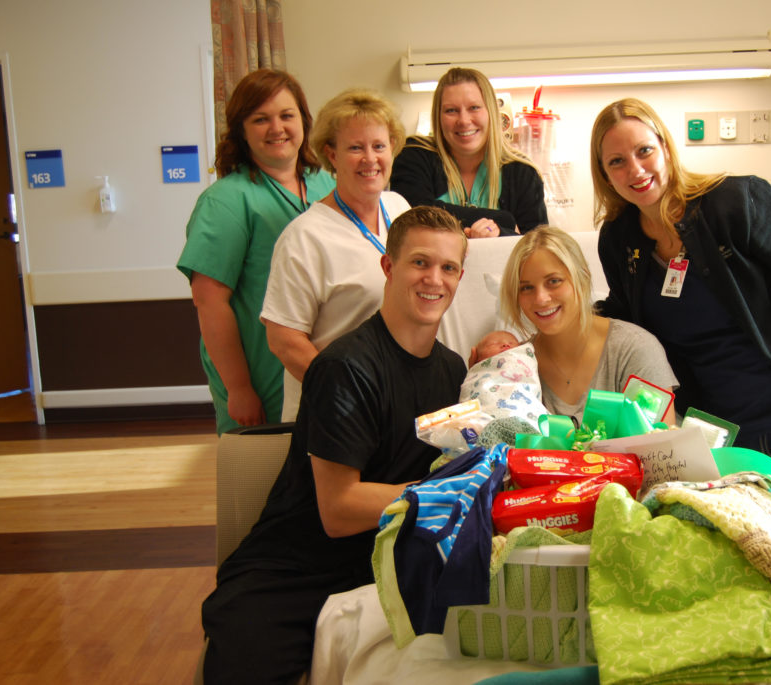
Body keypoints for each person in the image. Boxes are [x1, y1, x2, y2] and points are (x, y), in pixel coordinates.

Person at [589, 97, 771, 531]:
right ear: (604, 175)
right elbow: (624, 317)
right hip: (730, 431)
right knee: (762, 556)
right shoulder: (620, 240)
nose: (635, 170)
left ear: (666, 148)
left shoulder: (735, 202)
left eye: (644, 151)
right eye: (617, 161)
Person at [200, 206, 469, 684]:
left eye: (448, 267)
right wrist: (454, 493)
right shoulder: (346, 367)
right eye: (420, 262)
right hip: (293, 575)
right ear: (388, 268)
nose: (435, 279)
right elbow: (339, 509)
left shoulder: (452, 372)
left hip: (384, 566)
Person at [177, 69, 333, 435]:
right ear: (241, 130)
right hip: (262, 372)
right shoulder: (226, 201)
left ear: (304, 122)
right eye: (260, 119)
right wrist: (239, 387)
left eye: (286, 115)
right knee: (263, 480)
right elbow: (209, 302)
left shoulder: (326, 184)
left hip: (321, 363)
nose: (276, 128)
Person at [261, 88, 411, 421]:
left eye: (379, 146)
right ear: (332, 155)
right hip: (334, 409)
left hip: (394, 401)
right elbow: (284, 339)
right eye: (355, 148)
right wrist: (343, 392)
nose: (370, 159)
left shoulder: (399, 209)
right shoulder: (305, 237)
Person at [499, 225, 677, 424]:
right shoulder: (514, 366)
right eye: (526, 288)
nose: (541, 298)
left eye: (554, 281)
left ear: (583, 278)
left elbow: (663, 449)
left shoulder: (635, 348)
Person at [391, 67, 547, 237]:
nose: (464, 121)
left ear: (491, 112)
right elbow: (415, 217)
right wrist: (506, 221)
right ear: (438, 116)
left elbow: (538, 251)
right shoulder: (414, 155)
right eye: (451, 110)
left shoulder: (523, 174)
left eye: (474, 107)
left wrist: (498, 232)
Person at [460, 330, 548, 429]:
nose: (505, 345)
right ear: (477, 356)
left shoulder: (525, 359)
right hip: (487, 417)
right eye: (493, 344)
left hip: (524, 415)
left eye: (511, 343)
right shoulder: (478, 373)